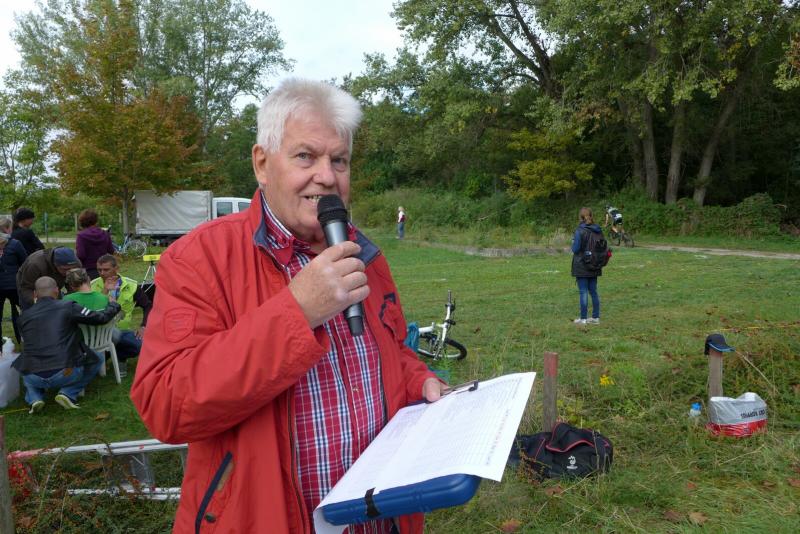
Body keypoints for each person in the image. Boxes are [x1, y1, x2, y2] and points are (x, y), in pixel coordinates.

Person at [130, 78, 444, 534]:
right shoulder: (199, 259)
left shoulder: (364, 255)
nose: (327, 176)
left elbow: (390, 352)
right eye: (305, 156)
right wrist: (297, 311)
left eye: (339, 160)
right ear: (262, 164)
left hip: (380, 519)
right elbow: (166, 405)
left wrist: (419, 380)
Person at [13, 276, 120, 413]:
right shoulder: (68, 306)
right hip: (65, 373)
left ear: (35, 294)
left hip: (33, 376)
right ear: (57, 291)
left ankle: (34, 398)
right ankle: (68, 393)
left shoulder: (23, 317)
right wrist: (114, 305)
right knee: (98, 358)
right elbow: (100, 318)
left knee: (26, 362)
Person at [91, 254, 151, 370]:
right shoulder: (92, 285)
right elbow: (91, 310)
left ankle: (120, 357)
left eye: (106, 270)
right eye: (99, 270)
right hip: (99, 332)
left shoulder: (131, 285)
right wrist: (105, 291)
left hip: (123, 330)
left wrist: (144, 326)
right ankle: (104, 358)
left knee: (139, 345)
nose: (102, 273)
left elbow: (148, 305)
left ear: (116, 269)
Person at [16, 247, 82, 310]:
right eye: (65, 269)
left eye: (72, 268)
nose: (69, 272)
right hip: (29, 283)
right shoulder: (35, 265)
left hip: (55, 283)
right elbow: (26, 288)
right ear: (55, 264)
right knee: (31, 309)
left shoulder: (76, 264)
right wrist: (39, 303)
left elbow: (75, 285)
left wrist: (70, 299)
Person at [571, 207, 603, 325]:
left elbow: (575, 249)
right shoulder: (598, 230)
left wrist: (573, 242)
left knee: (583, 292)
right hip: (595, 263)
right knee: (593, 291)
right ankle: (595, 318)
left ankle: (583, 319)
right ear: (591, 215)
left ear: (580, 217)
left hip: (582, 265)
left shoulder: (579, 230)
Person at [0, 227, 28, 343]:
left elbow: (25, 263)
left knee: (24, 310)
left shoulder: (15, 244)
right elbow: (25, 263)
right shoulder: (15, 244)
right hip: (11, 284)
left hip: (14, 285)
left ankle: (25, 336)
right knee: (25, 309)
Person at [76, 209, 115, 279]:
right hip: (104, 269)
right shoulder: (105, 234)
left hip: (88, 270)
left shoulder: (81, 236)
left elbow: (81, 255)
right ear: (96, 220)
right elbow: (111, 251)